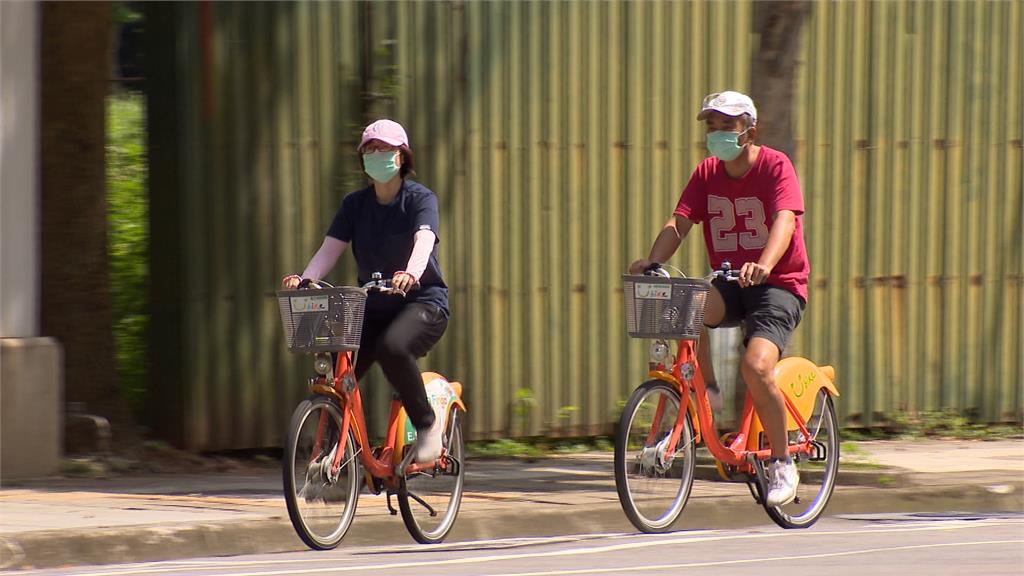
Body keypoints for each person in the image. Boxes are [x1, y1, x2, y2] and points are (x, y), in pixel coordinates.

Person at [629, 91, 810, 507]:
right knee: (686, 303)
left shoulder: (775, 165)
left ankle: (783, 461)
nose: (716, 134)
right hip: (730, 280)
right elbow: (679, 222)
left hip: (777, 284)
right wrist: (653, 260)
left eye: (726, 125)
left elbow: (784, 221)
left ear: (750, 130)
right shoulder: (707, 172)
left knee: (756, 365)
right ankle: (705, 391)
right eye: (711, 126)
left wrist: (764, 263)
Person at [283, 119, 450, 465]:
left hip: (422, 303)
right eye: (370, 150)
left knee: (393, 347)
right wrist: (305, 278)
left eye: (385, 150)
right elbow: (330, 249)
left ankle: (427, 425)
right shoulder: (354, 205)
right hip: (372, 306)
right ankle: (332, 452)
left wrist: (410, 273)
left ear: (402, 157)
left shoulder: (420, 199)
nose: (377, 155)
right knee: (335, 370)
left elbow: (424, 241)